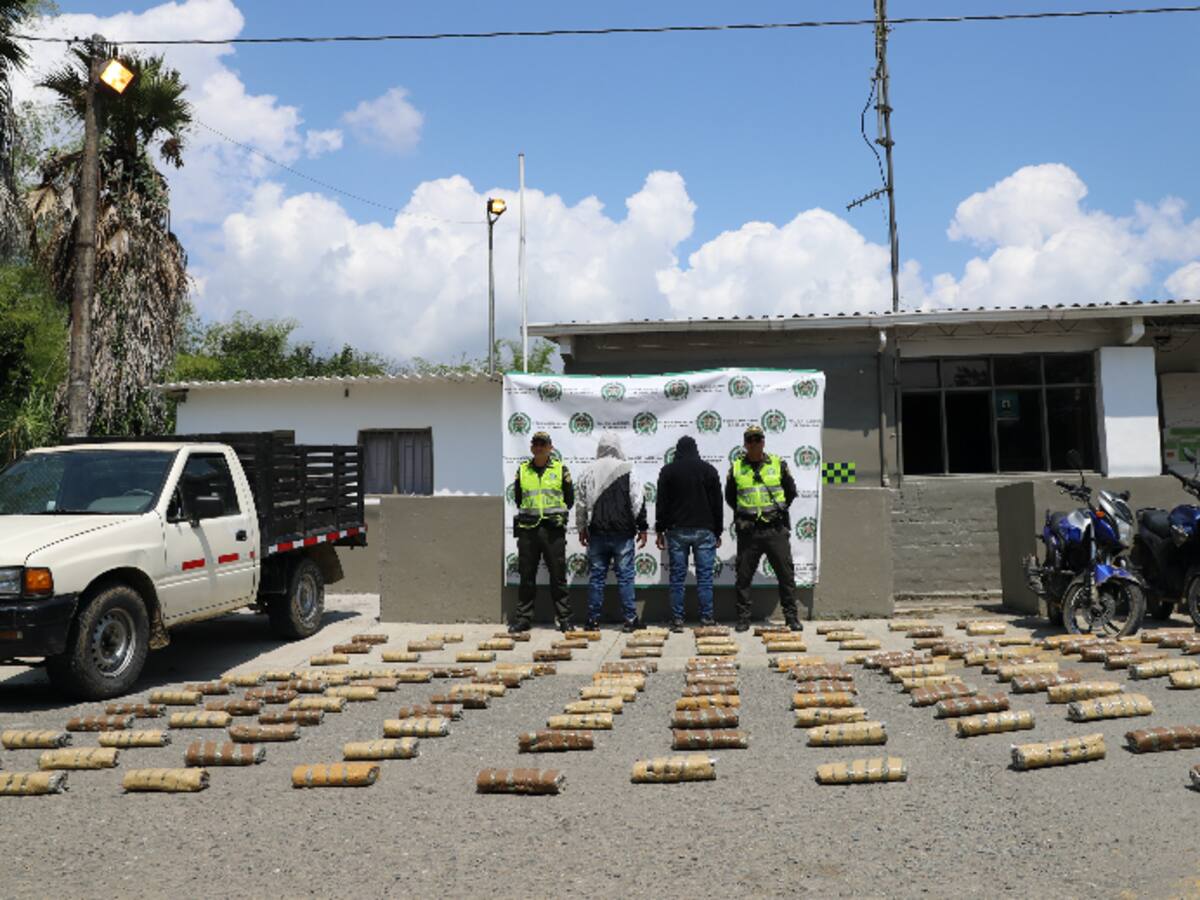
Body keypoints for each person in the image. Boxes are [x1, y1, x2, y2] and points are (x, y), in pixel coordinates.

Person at [725, 424, 802, 633]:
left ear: (763, 442)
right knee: (743, 577)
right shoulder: (736, 467)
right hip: (749, 531)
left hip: (774, 529)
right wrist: (746, 514)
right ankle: (743, 618)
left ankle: (791, 617)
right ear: (745, 444)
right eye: (749, 440)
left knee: (786, 575)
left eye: (757, 439)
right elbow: (730, 497)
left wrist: (777, 511)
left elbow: (790, 492)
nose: (754, 443)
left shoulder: (778, 464)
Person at [575, 432, 648, 632]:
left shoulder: (588, 470)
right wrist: (642, 527)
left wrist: (581, 528)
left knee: (597, 578)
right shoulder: (628, 469)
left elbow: (581, 503)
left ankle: (592, 620)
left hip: (597, 532)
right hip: (623, 533)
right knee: (625, 577)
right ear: (617, 446)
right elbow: (637, 500)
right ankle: (630, 620)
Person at [655, 435, 723, 633]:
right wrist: (718, 531)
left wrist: (660, 529)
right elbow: (717, 503)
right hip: (704, 530)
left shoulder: (668, 471)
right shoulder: (708, 470)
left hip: (677, 530)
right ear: (696, 450)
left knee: (677, 577)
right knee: (705, 577)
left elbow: (662, 503)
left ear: (677, 451)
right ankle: (707, 618)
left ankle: (677, 620)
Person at [511, 431, 574, 633]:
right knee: (526, 576)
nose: (539, 447)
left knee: (558, 576)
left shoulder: (560, 469)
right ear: (531, 447)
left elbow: (569, 499)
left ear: (550, 448)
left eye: (543, 444)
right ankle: (523, 619)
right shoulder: (522, 470)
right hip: (528, 530)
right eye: (536, 444)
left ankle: (564, 619)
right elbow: (518, 499)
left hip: (553, 531)